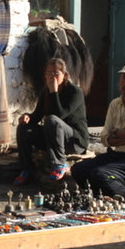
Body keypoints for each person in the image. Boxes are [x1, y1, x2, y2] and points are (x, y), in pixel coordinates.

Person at [71, 61, 125, 200]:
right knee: (78, 169)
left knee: (101, 174)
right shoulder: (115, 104)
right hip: (117, 156)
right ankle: (98, 197)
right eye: (124, 78)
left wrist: (117, 133)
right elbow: (104, 138)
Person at [14, 57, 88, 185]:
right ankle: (27, 168)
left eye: (55, 73)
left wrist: (54, 92)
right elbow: (36, 116)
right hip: (53, 138)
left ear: (64, 76)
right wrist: (27, 117)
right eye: (48, 73)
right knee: (24, 128)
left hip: (74, 141)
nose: (51, 77)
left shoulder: (74, 91)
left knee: (52, 120)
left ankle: (59, 164)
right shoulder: (45, 92)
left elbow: (59, 115)